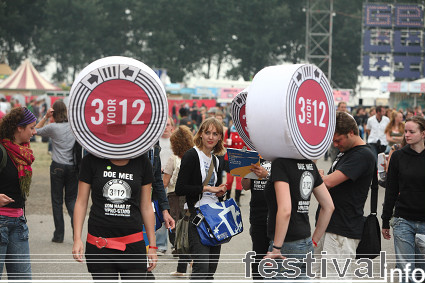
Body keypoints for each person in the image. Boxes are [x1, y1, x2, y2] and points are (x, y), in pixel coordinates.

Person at [72, 153, 158, 280]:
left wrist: (152, 246)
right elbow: (81, 202)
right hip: (100, 244)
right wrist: (77, 239)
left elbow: (146, 206)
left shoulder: (142, 161)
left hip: (133, 244)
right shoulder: (91, 160)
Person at [314, 111, 376, 280]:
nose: (335, 145)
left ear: (351, 132)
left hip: (342, 230)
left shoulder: (362, 154)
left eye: (338, 140)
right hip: (332, 225)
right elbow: (326, 181)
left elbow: (329, 182)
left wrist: (315, 175)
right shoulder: (348, 152)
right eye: (333, 141)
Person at [263, 155, 334, 280]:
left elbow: (285, 210)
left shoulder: (280, 164)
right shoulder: (310, 165)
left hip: (286, 244)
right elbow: (328, 207)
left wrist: (276, 248)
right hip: (305, 241)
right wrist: (314, 241)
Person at [175, 117, 227, 280]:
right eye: (207, 133)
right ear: (201, 134)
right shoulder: (191, 155)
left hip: (214, 218)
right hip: (197, 217)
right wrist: (205, 188)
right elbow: (180, 188)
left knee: (211, 268)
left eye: (215, 134)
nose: (211, 137)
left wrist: (220, 192)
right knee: (201, 267)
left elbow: (216, 189)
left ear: (220, 137)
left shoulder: (217, 160)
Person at [381, 116, 425, 283]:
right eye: (405, 131)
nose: (406, 134)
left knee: (421, 273)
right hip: (403, 220)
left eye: (411, 131)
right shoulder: (398, 156)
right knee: (407, 272)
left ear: (423, 134)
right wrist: (385, 221)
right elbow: (391, 190)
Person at [0, 107, 37, 280]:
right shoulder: (2, 151)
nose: (35, 132)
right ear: (19, 128)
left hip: (19, 224)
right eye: (31, 128)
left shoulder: (22, 152)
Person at [35, 100, 78, 243]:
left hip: (57, 166)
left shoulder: (52, 127)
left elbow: (35, 130)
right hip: (72, 167)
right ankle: (76, 233)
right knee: (71, 200)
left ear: (54, 112)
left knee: (57, 201)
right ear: (66, 111)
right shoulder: (74, 127)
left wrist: (46, 117)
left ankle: (59, 235)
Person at [163, 125, 194, 277]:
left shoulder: (173, 159)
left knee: (175, 231)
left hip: (174, 198)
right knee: (186, 231)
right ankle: (183, 267)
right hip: (189, 197)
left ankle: (187, 261)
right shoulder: (194, 156)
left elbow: (164, 182)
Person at [241, 160, 271, 280]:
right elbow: (246, 186)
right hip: (257, 214)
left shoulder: (279, 157)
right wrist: (245, 174)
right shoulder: (253, 159)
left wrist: (266, 175)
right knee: (258, 255)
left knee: (275, 256)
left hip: (276, 215)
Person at [155, 116, 175, 255]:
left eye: (168, 125)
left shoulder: (174, 142)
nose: (166, 127)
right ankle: (161, 244)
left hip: (172, 181)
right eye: (164, 125)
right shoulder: (155, 142)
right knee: (161, 210)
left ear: (172, 127)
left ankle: (175, 243)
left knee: (173, 212)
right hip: (158, 180)